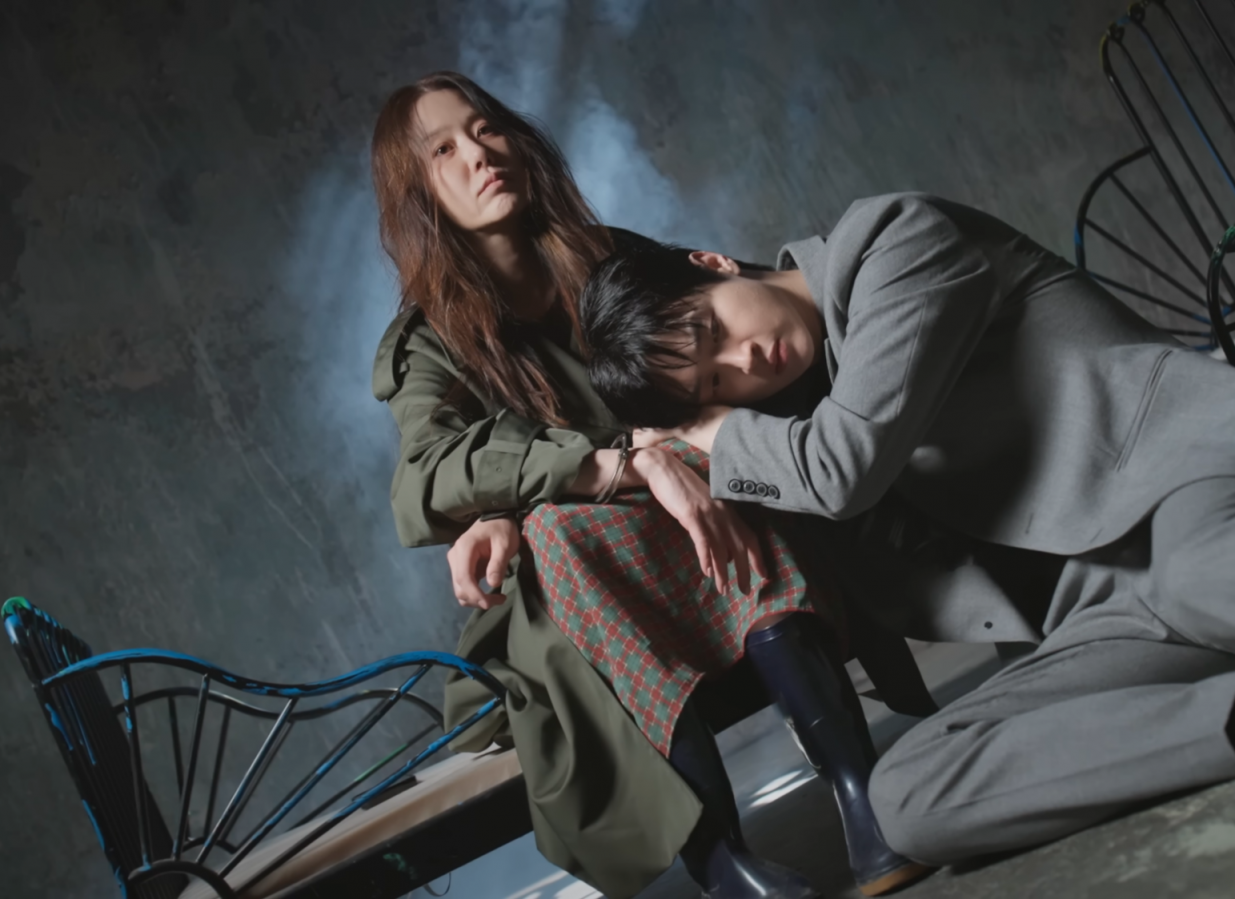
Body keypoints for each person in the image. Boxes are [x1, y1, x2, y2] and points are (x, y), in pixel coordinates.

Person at [578, 191, 1235, 864]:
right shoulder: (797, 418)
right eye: (714, 386)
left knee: (1206, 570)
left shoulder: (890, 242)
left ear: (712, 262)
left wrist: (713, 432)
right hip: (1109, 608)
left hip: (1192, 487)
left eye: (712, 332)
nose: (744, 366)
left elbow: (846, 467)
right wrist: (642, 461)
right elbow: (879, 547)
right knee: (910, 794)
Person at [367, 73, 927, 898]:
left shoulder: (609, 257)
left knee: (726, 463)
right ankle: (722, 861)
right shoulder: (428, 342)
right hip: (577, 579)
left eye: (485, 129)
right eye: (443, 150)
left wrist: (677, 449)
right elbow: (429, 472)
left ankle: (861, 792)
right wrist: (606, 469)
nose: (479, 155)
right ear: (417, 195)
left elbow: (741, 324)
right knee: (558, 532)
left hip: (709, 525)